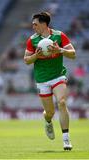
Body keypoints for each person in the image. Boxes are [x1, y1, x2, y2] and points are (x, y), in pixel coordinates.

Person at [24, 12, 76, 150]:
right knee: (50, 112)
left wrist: (60, 50)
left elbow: (73, 54)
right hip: (42, 80)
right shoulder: (32, 40)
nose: (33, 26)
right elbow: (27, 60)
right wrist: (37, 55)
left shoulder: (59, 36)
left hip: (58, 76)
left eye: (35, 24)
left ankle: (66, 140)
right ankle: (47, 121)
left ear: (43, 23)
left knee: (62, 102)